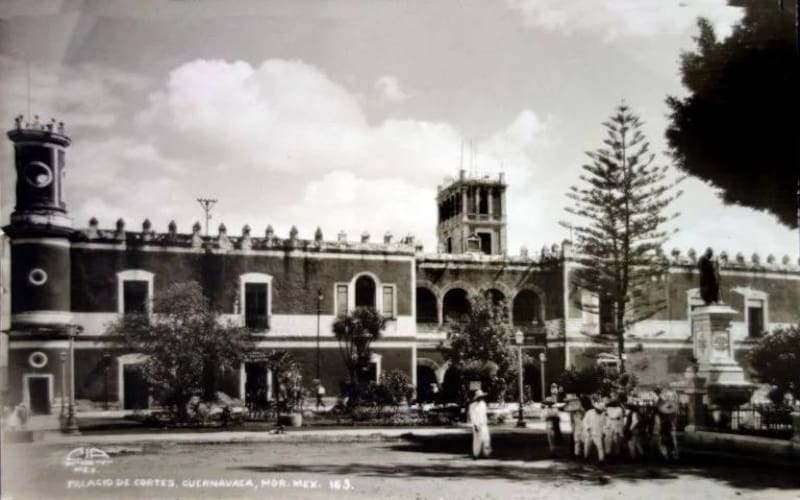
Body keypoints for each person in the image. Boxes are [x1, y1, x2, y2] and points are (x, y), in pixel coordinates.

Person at [582, 396, 606, 463]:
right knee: (587, 446)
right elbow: (584, 421)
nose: (599, 411)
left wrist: (603, 432)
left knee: (600, 447)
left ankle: (601, 460)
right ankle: (586, 458)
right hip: (589, 432)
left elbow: (605, 424)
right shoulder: (589, 412)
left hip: (598, 433)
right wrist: (587, 427)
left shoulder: (603, 414)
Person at [468, 389, 491, 459]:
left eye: (482, 397)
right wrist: (475, 425)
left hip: (483, 424)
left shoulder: (483, 404)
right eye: (480, 397)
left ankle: (486, 454)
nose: (481, 398)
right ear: (477, 397)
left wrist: (486, 421)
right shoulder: (472, 406)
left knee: (486, 439)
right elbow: (472, 416)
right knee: (477, 439)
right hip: (477, 424)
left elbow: (484, 414)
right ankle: (476, 454)